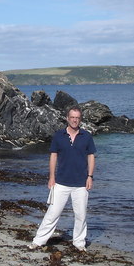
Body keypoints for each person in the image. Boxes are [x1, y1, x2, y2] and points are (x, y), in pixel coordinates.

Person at [28, 106, 96, 252]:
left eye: (77, 118)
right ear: (67, 118)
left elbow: (91, 156)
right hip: (61, 182)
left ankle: (79, 243)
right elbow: (53, 156)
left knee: (81, 215)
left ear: (80, 119)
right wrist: (51, 177)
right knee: (52, 213)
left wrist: (90, 176)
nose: (74, 120)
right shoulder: (59, 136)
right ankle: (38, 241)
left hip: (81, 183)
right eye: (72, 117)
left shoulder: (87, 136)